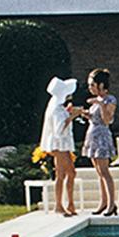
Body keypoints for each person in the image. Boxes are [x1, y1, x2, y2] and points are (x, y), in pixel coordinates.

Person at [74, 70, 119, 216]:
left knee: (105, 171)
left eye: (92, 84)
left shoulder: (109, 99)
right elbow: (95, 118)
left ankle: (111, 204)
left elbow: (107, 120)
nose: (90, 88)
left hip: (102, 137)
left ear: (101, 84)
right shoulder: (96, 101)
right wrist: (84, 113)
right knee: (99, 172)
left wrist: (100, 104)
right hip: (92, 136)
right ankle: (103, 201)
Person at [40, 77, 79, 215]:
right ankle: (59, 205)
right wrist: (72, 116)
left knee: (70, 173)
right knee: (63, 173)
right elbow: (59, 129)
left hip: (62, 145)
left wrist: (68, 113)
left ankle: (70, 204)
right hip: (59, 144)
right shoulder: (56, 109)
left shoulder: (57, 107)